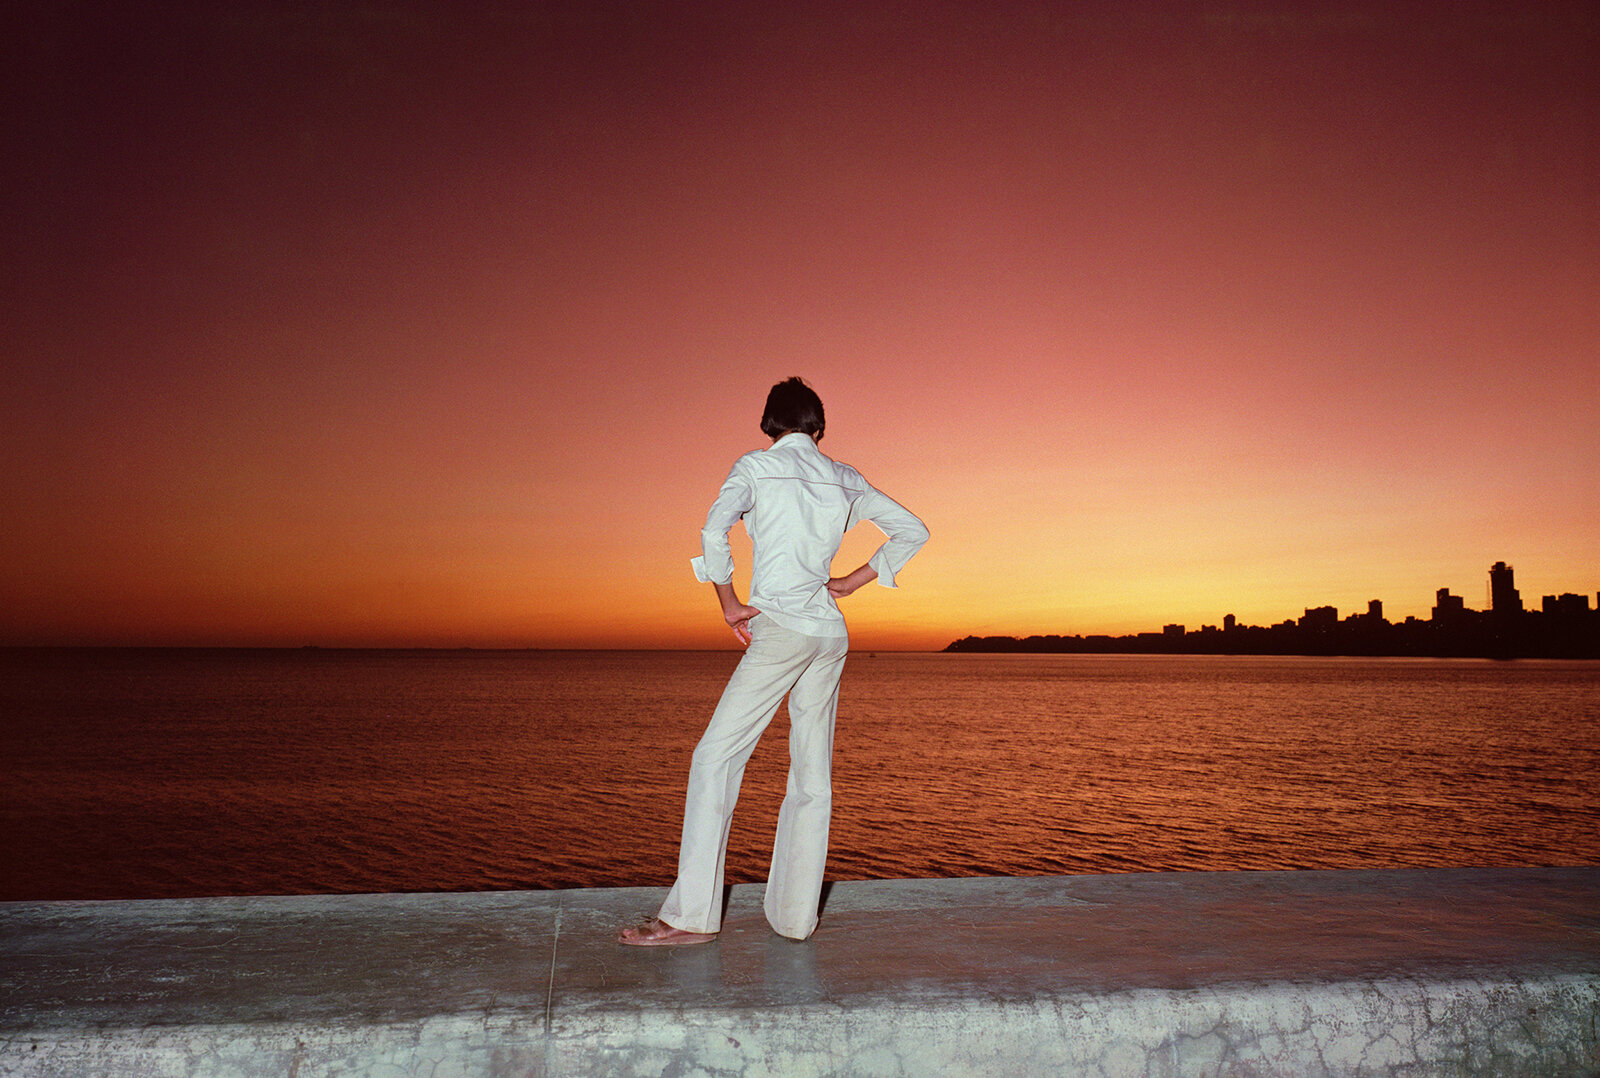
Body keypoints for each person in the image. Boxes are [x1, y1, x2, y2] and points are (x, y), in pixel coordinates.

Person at [619, 377, 929, 945]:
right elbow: (915, 530)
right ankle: (793, 919)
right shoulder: (844, 476)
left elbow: (715, 528)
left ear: (770, 425)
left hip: (782, 628)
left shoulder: (756, 467)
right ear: (818, 428)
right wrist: (852, 582)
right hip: (829, 633)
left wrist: (729, 603)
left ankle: (690, 917)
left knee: (715, 757)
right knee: (812, 773)